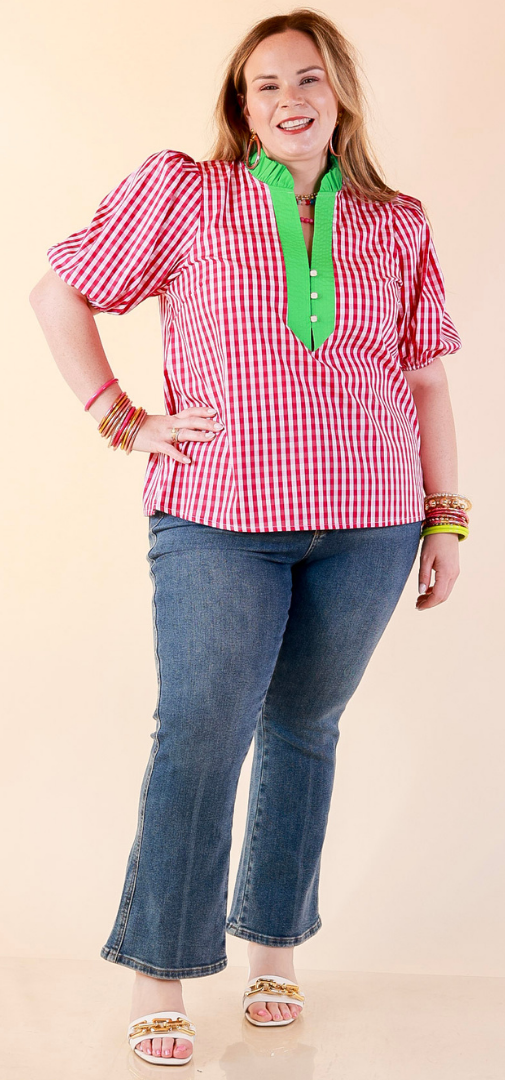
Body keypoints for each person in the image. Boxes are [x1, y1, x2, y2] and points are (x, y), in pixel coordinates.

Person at [30, 9, 468, 1068]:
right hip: (217, 517)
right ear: (240, 106)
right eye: (262, 85)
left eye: (307, 78)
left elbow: (425, 378)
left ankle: (274, 950)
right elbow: (59, 293)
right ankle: (161, 967)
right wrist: (121, 419)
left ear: (341, 93)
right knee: (198, 732)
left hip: (370, 519)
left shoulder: (395, 221)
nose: (287, 99)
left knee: (306, 727)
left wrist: (447, 517)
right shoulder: (187, 191)